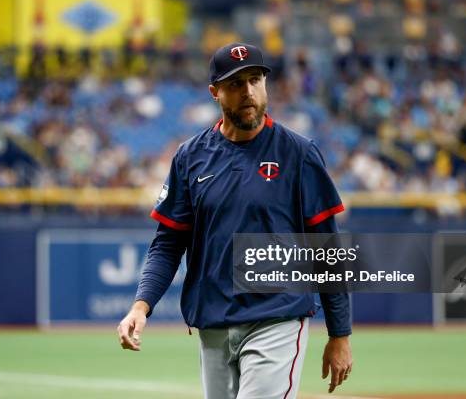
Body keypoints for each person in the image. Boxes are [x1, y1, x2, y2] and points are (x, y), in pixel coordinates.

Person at [117, 42, 353, 398]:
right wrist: (141, 305)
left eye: (255, 80)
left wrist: (340, 334)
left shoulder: (298, 153)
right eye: (235, 84)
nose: (249, 92)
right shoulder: (190, 157)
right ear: (215, 92)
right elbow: (167, 243)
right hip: (213, 323)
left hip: (278, 316)